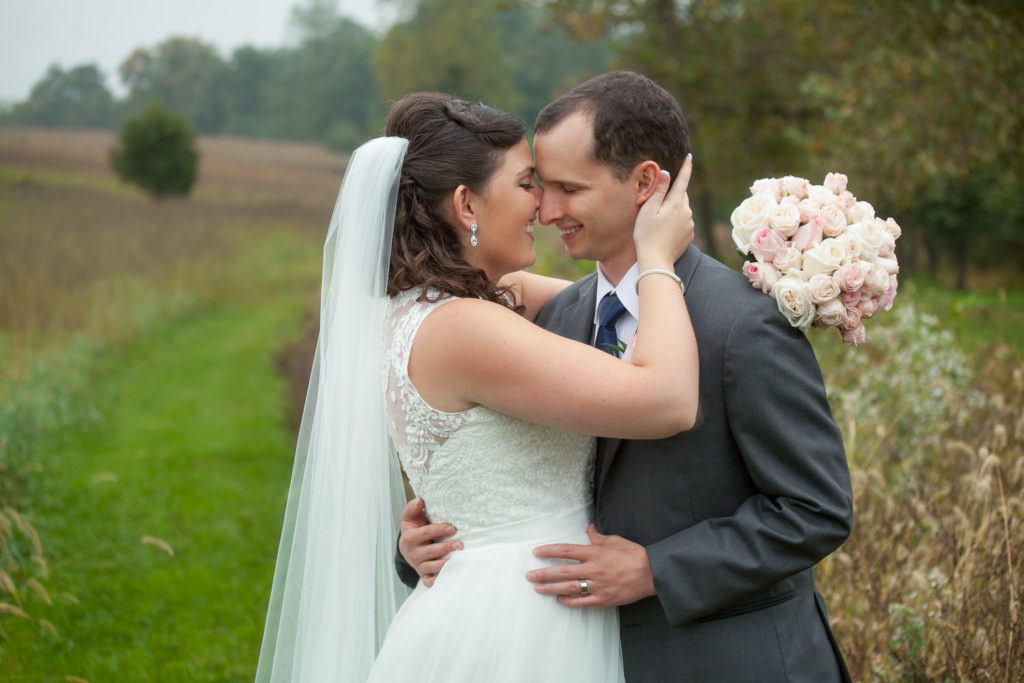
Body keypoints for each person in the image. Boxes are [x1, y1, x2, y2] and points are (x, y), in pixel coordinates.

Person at [398, 72, 855, 681]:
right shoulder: (552, 317)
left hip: (735, 662)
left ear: (644, 182)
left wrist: (658, 569)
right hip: (584, 655)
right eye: (539, 186)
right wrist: (419, 547)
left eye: (567, 188)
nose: (546, 208)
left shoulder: (742, 322)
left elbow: (816, 508)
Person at [255, 91, 698, 682]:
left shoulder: (431, 305)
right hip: (522, 619)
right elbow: (666, 400)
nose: (543, 208)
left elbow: (595, 304)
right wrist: (659, 256)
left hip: (513, 593)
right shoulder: (463, 327)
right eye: (526, 185)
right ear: (466, 202)